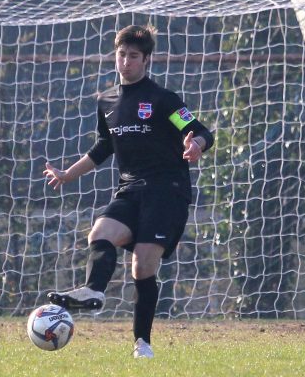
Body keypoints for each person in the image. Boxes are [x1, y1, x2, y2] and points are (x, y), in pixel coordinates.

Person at [43, 24, 214, 359]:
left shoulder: (163, 100)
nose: (126, 62)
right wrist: (67, 174)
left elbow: (199, 130)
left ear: (146, 59)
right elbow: (103, 147)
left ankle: (142, 344)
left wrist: (197, 145)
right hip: (131, 188)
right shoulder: (106, 101)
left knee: (142, 267)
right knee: (100, 232)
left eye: (133, 56)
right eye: (121, 54)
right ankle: (93, 291)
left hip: (167, 191)